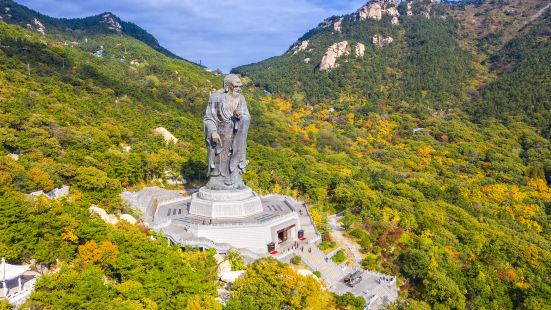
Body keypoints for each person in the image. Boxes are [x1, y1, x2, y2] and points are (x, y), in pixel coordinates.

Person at [203, 74, 250, 190]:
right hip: (220, 135)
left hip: (236, 135)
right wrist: (213, 131)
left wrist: (240, 117)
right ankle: (216, 180)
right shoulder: (216, 97)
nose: (239, 89)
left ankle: (235, 179)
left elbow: (247, 116)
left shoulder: (241, 99)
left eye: (240, 86)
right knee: (219, 160)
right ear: (228, 86)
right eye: (236, 86)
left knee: (235, 158)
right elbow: (208, 118)